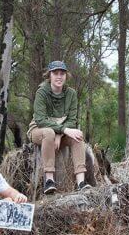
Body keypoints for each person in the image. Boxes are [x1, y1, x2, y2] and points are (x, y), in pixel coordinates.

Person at [28, 61, 89, 195]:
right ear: (49, 75)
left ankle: (81, 182)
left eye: (62, 73)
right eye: (55, 73)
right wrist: (63, 130)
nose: (59, 76)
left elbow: (72, 120)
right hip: (39, 130)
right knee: (49, 133)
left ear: (66, 76)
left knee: (78, 135)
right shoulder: (42, 92)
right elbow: (40, 120)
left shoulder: (71, 94)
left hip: (59, 134)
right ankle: (49, 181)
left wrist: (60, 134)